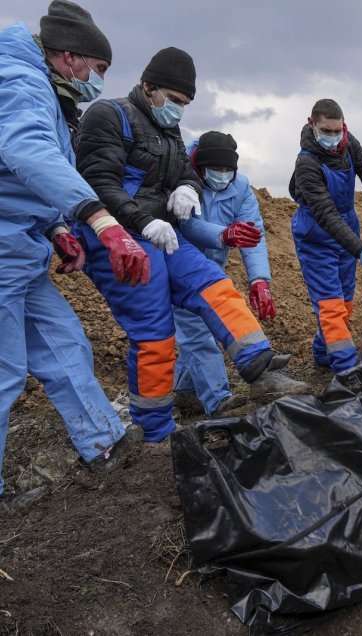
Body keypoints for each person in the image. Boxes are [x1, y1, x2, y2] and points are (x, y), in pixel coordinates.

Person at [75, 47, 308, 443]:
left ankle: (260, 368)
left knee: (215, 285)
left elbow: (186, 172)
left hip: (163, 234)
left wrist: (186, 186)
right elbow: (98, 181)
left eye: (185, 103)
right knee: (156, 335)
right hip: (118, 237)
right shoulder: (108, 116)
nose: (179, 110)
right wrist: (142, 221)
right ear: (149, 87)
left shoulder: (169, 133)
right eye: (176, 100)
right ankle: (156, 432)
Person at [0, 0, 148, 505]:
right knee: (3, 372)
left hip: (20, 249)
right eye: (98, 69)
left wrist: (58, 228)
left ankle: (105, 445)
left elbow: (24, 180)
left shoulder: (46, 92)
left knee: (65, 346)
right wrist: (97, 218)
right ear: (69, 57)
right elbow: (27, 152)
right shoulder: (20, 82)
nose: (98, 80)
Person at [289, 99, 362, 378]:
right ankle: (347, 371)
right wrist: (360, 249)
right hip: (316, 235)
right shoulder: (306, 162)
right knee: (330, 306)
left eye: (338, 131)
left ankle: (323, 353)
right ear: (312, 125)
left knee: (345, 301)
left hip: (347, 227)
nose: (333, 138)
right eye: (326, 131)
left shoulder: (348, 143)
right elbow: (325, 213)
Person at [174, 131, 273, 416]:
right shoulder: (183, 180)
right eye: (215, 170)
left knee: (199, 328)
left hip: (212, 268)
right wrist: (224, 235)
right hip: (180, 264)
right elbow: (186, 224)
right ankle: (218, 401)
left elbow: (254, 234)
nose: (221, 176)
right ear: (199, 166)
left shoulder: (240, 187)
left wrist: (259, 280)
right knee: (196, 333)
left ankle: (186, 391)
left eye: (227, 170)